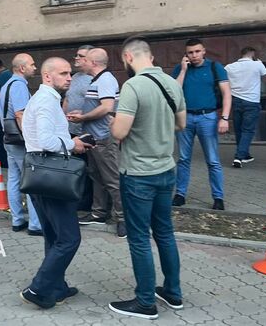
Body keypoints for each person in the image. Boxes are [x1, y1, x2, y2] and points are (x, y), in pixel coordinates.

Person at [108, 37, 186, 320]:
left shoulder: (133, 86)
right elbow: (181, 124)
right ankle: (173, 292)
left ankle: (144, 302)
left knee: (139, 238)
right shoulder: (172, 83)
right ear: (150, 56)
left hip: (138, 174)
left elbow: (119, 133)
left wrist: (114, 121)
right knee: (164, 232)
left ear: (128, 57)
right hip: (166, 170)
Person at [19, 57, 92, 310]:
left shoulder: (43, 99)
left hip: (41, 174)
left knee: (53, 235)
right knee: (69, 239)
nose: (69, 78)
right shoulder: (46, 101)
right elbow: (46, 141)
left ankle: (56, 287)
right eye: (63, 73)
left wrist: (70, 140)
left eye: (70, 73)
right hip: (53, 175)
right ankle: (38, 289)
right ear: (47, 76)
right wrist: (74, 144)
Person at [67, 48, 126, 238]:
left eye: (84, 59)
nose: (80, 61)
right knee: (96, 176)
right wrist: (82, 114)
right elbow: (99, 106)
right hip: (93, 138)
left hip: (103, 138)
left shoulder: (105, 80)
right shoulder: (96, 80)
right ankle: (98, 213)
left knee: (112, 179)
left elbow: (107, 107)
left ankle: (123, 218)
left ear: (93, 63)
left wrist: (83, 117)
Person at [171, 38, 231, 210]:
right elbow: (174, 91)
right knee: (183, 158)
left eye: (197, 51)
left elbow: (226, 93)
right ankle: (180, 194)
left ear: (204, 51)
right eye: (190, 52)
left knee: (212, 160)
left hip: (208, 117)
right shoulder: (180, 68)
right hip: (185, 117)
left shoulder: (215, 67)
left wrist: (224, 118)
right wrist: (183, 70)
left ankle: (218, 197)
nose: (194, 55)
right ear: (186, 54)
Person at [0, 53, 42, 235]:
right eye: (32, 64)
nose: (35, 67)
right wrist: (30, 139)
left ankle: (17, 220)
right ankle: (35, 224)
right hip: (20, 141)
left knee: (14, 179)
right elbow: (20, 114)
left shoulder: (7, 84)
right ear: (22, 68)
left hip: (9, 138)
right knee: (30, 181)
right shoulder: (19, 86)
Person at [225, 47, 266, 168]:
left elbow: (224, 81)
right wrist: (260, 65)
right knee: (248, 130)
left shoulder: (229, 67)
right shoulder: (257, 64)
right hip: (252, 102)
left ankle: (245, 155)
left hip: (236, 100)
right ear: (252, 54)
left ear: (241, 54)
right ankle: (238, 157)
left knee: (239, 129)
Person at [63, 45, 95, 212]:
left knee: (89, 169)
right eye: (76, 55)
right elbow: (67, 99)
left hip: (87, 130)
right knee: (75, 167)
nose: (76, 58)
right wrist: (62, 118)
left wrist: (83, 115)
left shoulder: (94, 79)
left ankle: (88, 203)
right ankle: (77, 199)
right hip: (71, 129)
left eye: (80, 56)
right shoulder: (74, 77)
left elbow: (99, 105)